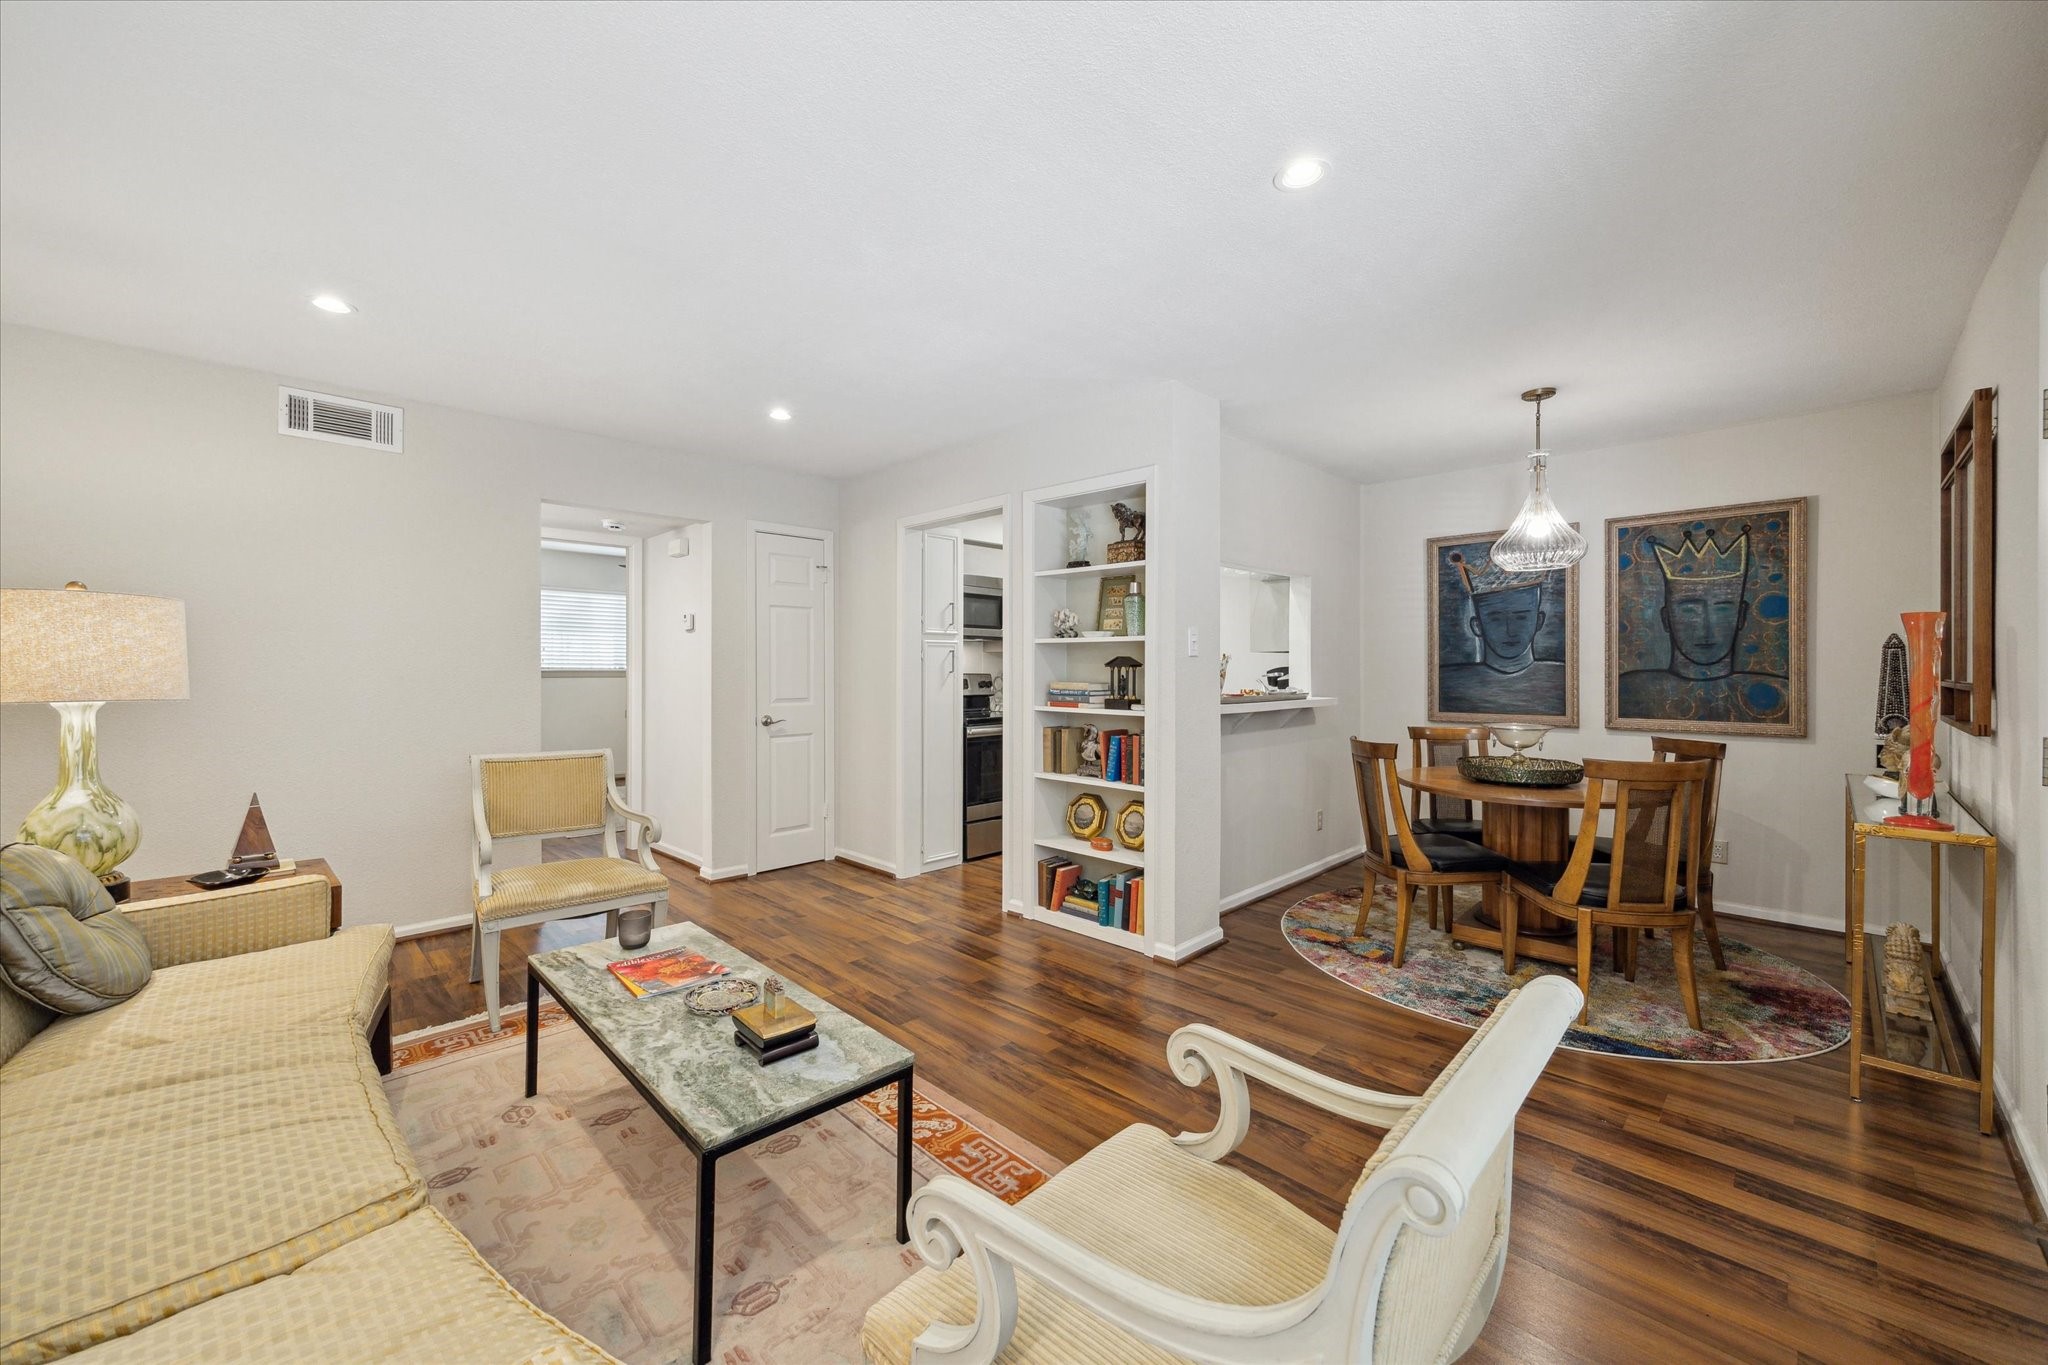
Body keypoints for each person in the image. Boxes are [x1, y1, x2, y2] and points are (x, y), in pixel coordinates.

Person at [1617, 527, 1789, 724]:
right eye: (1689, 610)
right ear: (1666, 619)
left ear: (1741, 616)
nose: (1706, 628)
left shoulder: (1780, 693)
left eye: (1722, 609)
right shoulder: (1630, 691)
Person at [1436, 550, 1566, 715]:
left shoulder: (1562, 679)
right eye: (1495, 619)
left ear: (1538, 621)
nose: (1509, 630)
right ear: (1477, 626)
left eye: (1521, 618)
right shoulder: (1448, 684)